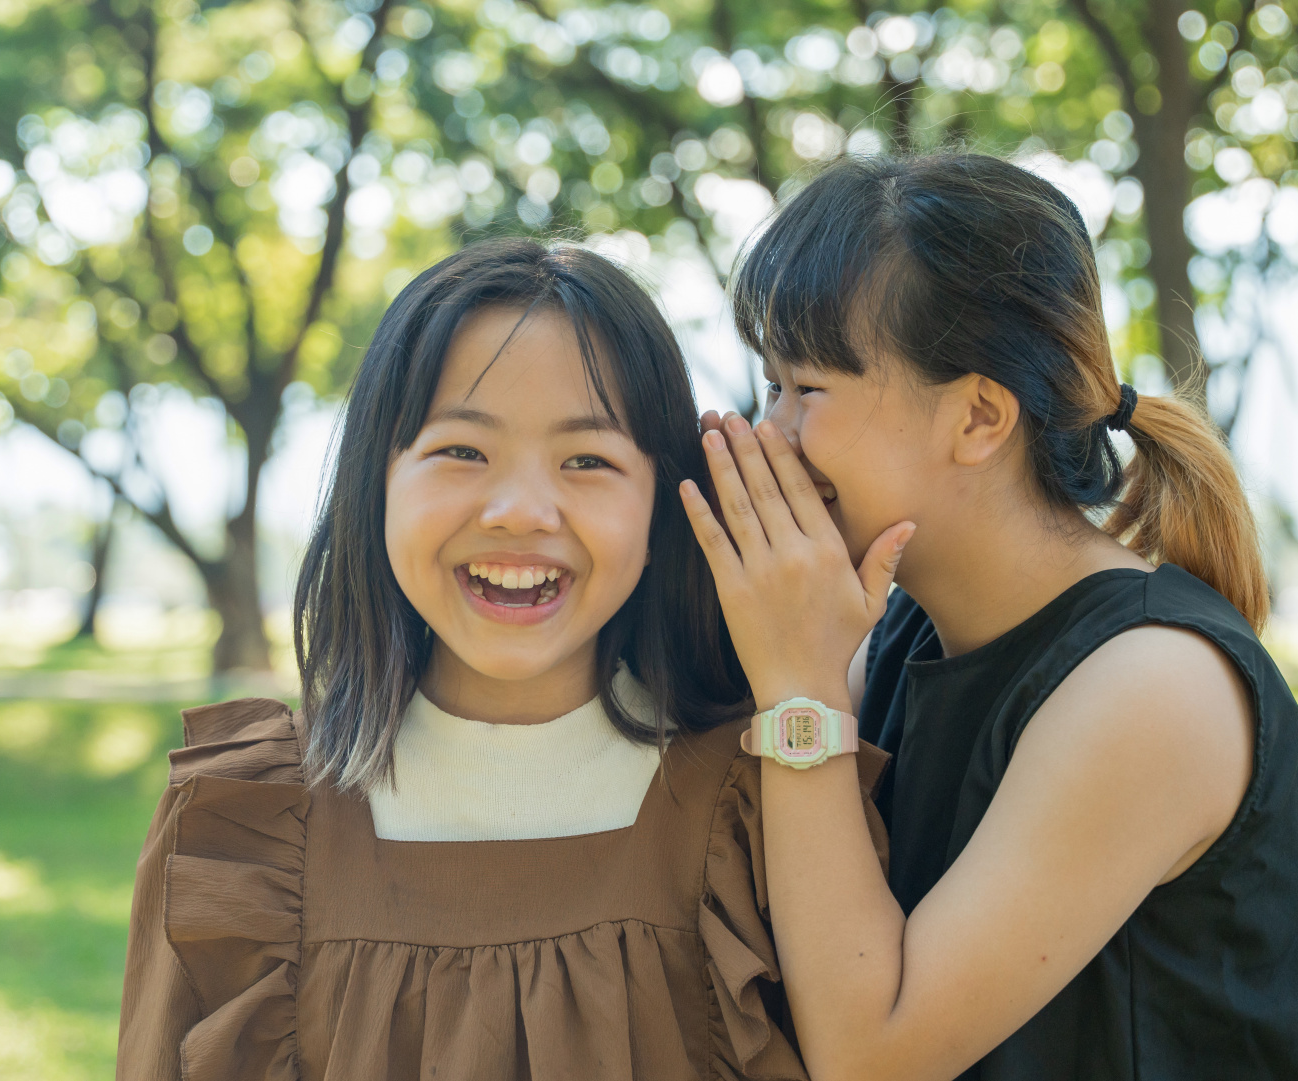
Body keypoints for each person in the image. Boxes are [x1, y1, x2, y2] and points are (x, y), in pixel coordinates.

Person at [680, 153, 1298, 1080]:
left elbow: (869, 1054)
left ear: (979, 416)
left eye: (807, 390)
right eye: (770, 387)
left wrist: (800, 689)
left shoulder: (1151, 687)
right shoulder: (905, 631)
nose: (768, 435)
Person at [116, 237, 885, 1081]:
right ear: (378, 480)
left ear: (665, 504)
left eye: (587, 460)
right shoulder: (240, 829)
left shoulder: (767, 806)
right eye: (463, 451)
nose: (522, 510)